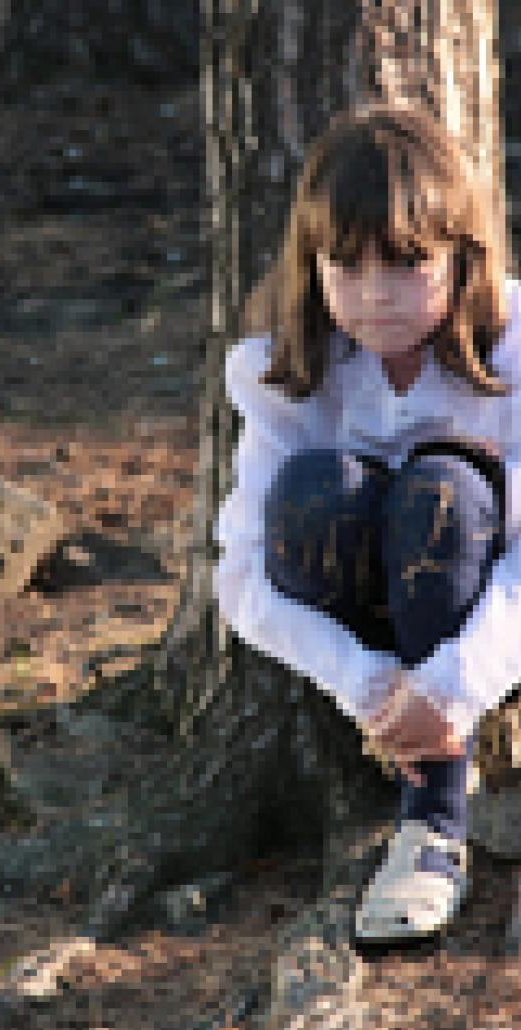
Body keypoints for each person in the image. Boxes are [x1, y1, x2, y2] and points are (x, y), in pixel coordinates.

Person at [213, 102, 521, 943]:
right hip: (369, 641)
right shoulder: (287, 373)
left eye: (406, 264)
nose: (374, 295)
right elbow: (238, 576)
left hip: (482, 607)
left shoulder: (513, 351)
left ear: (463, 257)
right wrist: (371, 686)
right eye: (344, 267)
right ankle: (407, 748)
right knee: (317, 485)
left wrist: (455, 687)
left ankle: (434, 822)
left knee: (441, 493)